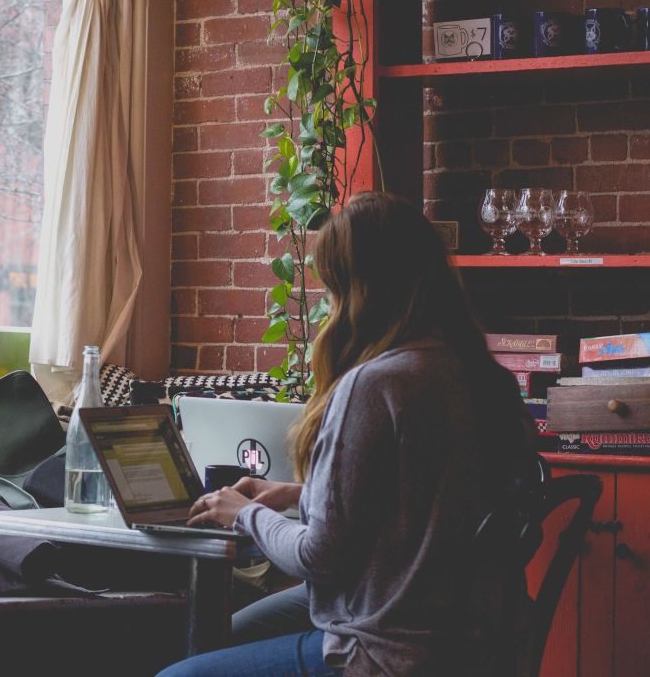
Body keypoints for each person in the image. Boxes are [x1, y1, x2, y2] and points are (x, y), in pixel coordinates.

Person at [158, 192, 535, 677]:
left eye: (332, 285)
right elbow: (426, 500)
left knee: (178, 673)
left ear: (359, 289)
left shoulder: (377, 384)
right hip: (476, 636)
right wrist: (295, 494)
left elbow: (318, 558)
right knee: (222, 634)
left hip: (391, 648)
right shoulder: (477, 374)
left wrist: (245, 514)